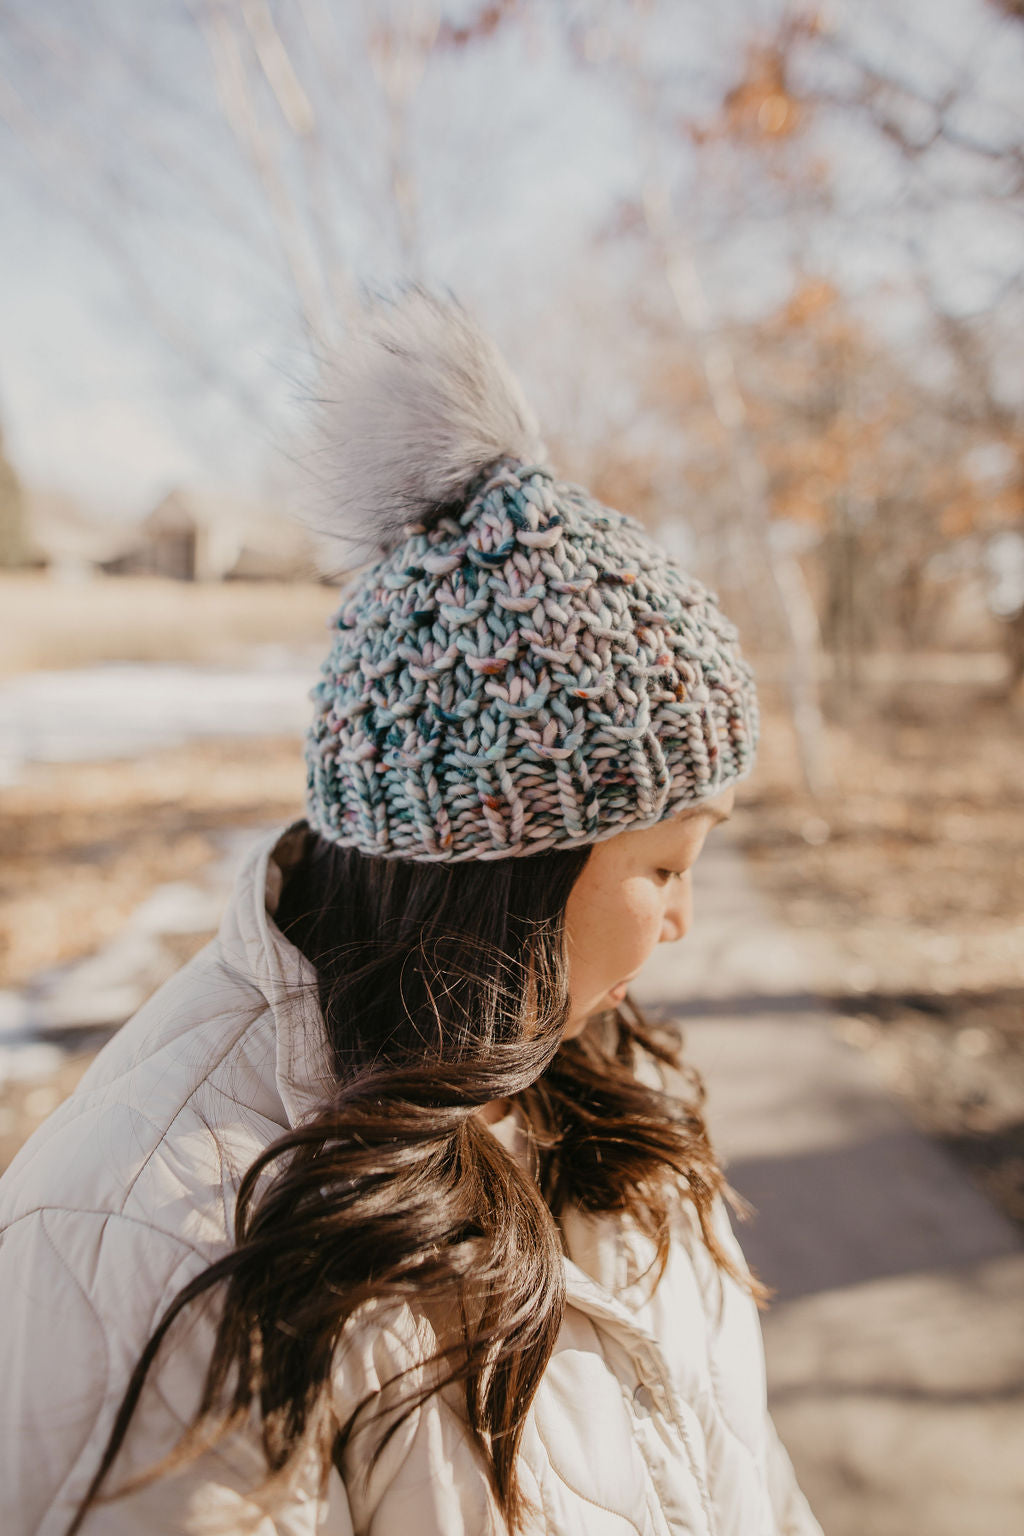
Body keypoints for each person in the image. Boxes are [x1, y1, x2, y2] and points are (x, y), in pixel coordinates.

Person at [0, 287, 822, 1536]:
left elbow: (743, 1475)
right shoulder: (158, 1244)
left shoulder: (600, 1077)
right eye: (663, 867)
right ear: (503, 868)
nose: (681, 923)